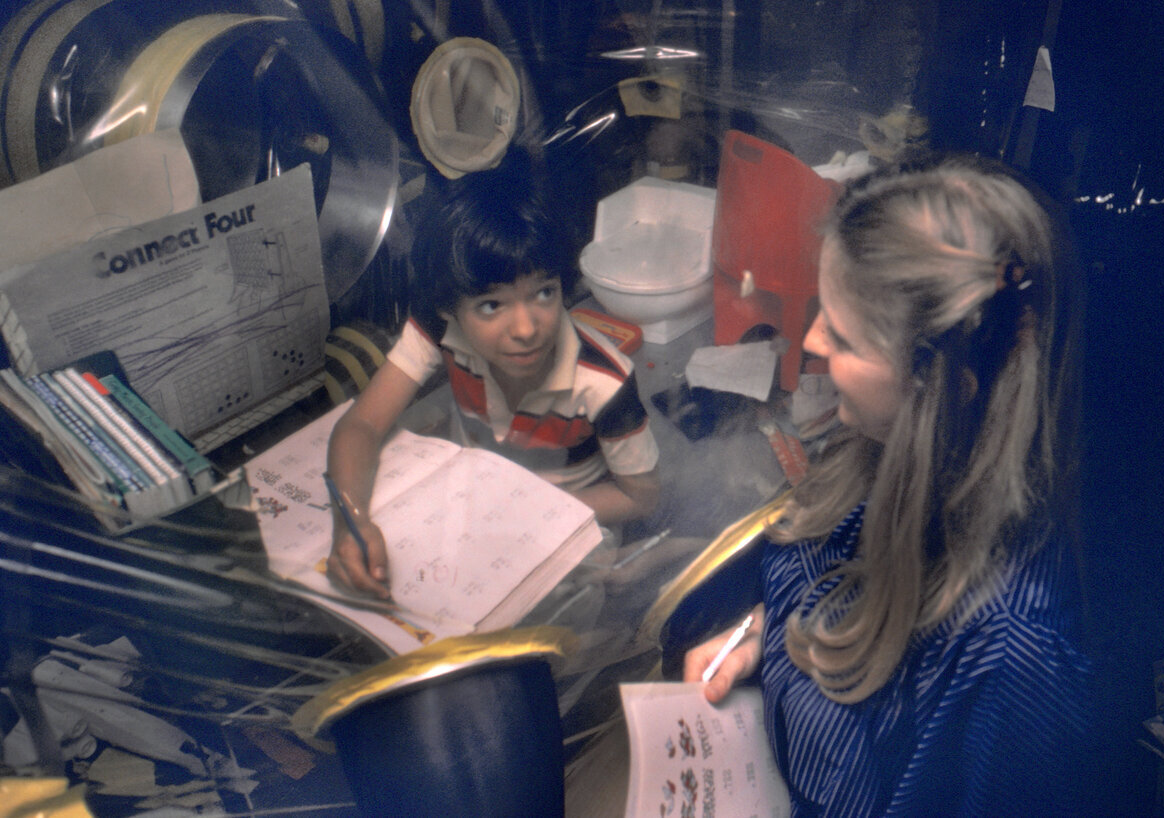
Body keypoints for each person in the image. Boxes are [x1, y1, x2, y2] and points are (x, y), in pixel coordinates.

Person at [683, 155, 1094, 815]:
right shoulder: (870, 447)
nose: (813, 341)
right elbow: (832, 588)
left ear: (938, 392)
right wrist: (765, 639)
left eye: (844, 338)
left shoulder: (1012, 653)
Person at [326, 145, 660, 599]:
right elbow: (363, 424)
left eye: (544, 293)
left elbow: (643, 497)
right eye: (491, 305)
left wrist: (524, 512)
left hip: (566, 530)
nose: (525, 329)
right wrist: (351, 523)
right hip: (467, 510)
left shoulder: (605, 383)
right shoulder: (439, 328)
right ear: (450, 309)